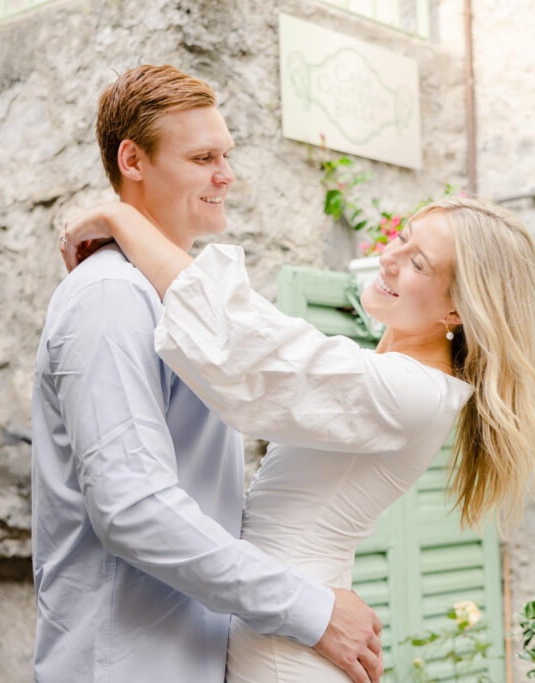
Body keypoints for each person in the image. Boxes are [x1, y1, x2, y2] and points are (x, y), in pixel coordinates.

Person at [59, 191, 535, 681]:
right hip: (283, 621)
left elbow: (243, 352)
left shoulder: (411, 391)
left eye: (418, 262)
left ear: (457, 312)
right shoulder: (397, 377)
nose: (389, 258)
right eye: (401, 237)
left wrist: (119, 216)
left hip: (288, 643)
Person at [30, 65, 382, 683]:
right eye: (202, 157)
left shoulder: (175, 298)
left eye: (226, 154)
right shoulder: (110, 296)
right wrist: (311, 609)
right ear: (133, 160)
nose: (226, 175)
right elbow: (133, 508)